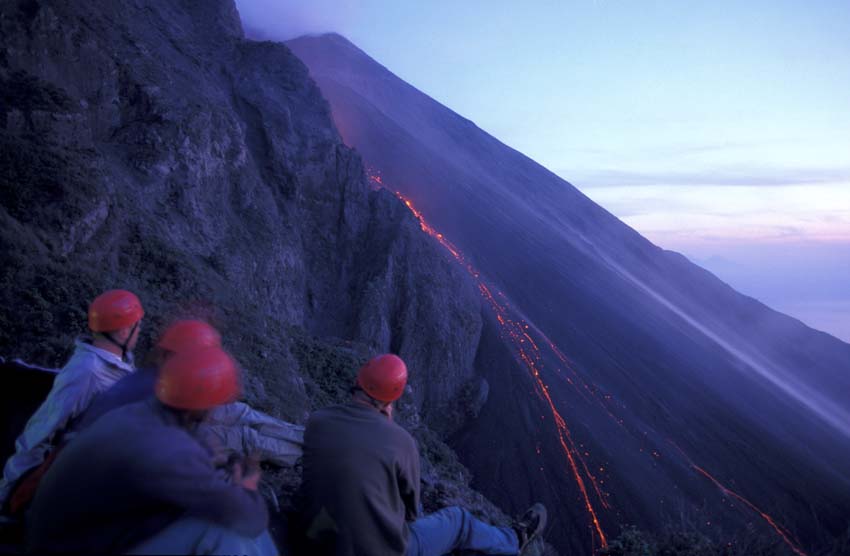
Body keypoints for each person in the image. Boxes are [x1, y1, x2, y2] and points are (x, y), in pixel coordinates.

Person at [27, 346, 278, 555]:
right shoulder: (167, 449)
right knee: (225, 536)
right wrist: (247, 488)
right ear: (202, 404)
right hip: (73, 548)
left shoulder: (140, 413)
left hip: (77, 535)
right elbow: (247, 518)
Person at [298, 354, 547, 556]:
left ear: (358, 382)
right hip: (385, 550)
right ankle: (515, 540)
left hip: (315, 539)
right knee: (458, 520)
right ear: (391, 400)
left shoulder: (318, 421)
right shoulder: (401, 442)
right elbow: (411, 512)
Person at [77, 319, 304, 467]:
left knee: (240, 412)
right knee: (243, 437)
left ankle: (306, 437)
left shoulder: (162, 373)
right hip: (162, 435)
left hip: (173, 419)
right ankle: (306, 458)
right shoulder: (150, 386)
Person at [0, 289, 144, 514]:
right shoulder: (87, 371)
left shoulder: (116, 365)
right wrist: (7, 495)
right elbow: (40, 431)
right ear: (125, 330)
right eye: (138, 325)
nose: (140, 331)